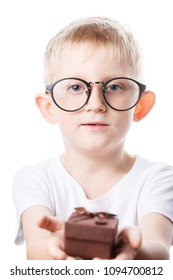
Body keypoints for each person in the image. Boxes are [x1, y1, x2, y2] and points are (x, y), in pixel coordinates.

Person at [13, 16, 173, 260]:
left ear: (140, 105)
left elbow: (158, 248)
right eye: (76, 87)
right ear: (49, 107)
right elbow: (36, 250)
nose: (96, 104)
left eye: (114, 87)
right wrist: (63, 244)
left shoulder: (158, 179)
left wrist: (130, 249)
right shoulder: (34, 179)